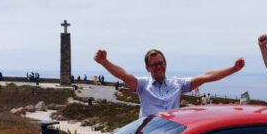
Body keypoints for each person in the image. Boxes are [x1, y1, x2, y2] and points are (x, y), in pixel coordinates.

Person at [94, 49, 245, 117]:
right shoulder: (143, 85)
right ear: (147, 68)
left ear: (166, 63)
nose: (159, 67)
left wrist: (233, 69)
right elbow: (124, 76)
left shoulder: (177, 84)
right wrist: (105, 62)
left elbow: (206, 77)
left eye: (161, 63)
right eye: (154, 65)